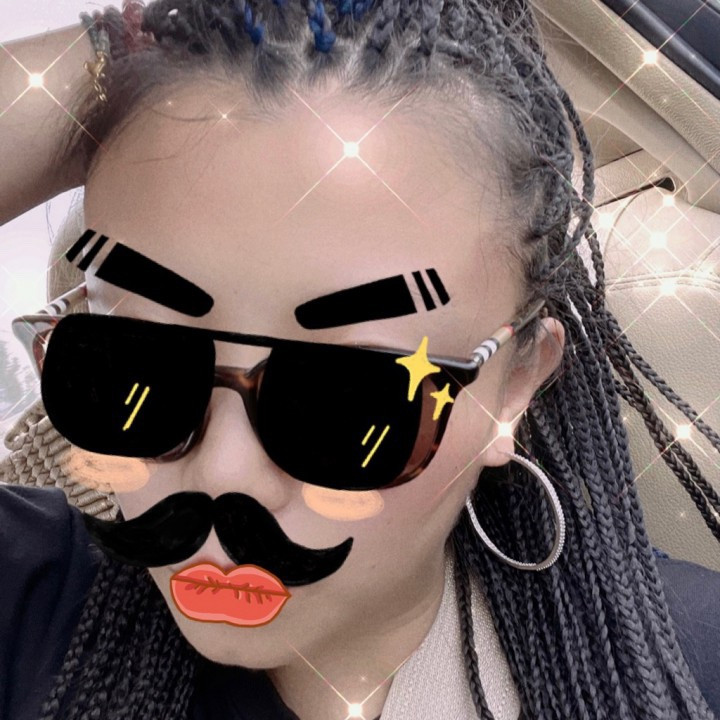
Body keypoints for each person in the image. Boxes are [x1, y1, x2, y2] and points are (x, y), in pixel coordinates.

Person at [0, 1, 719, 719]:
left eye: (345, 402)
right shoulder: (31, 603)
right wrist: (116, 53)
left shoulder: (689, 663)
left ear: (514, 386)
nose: (223, 473)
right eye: (134, 369)